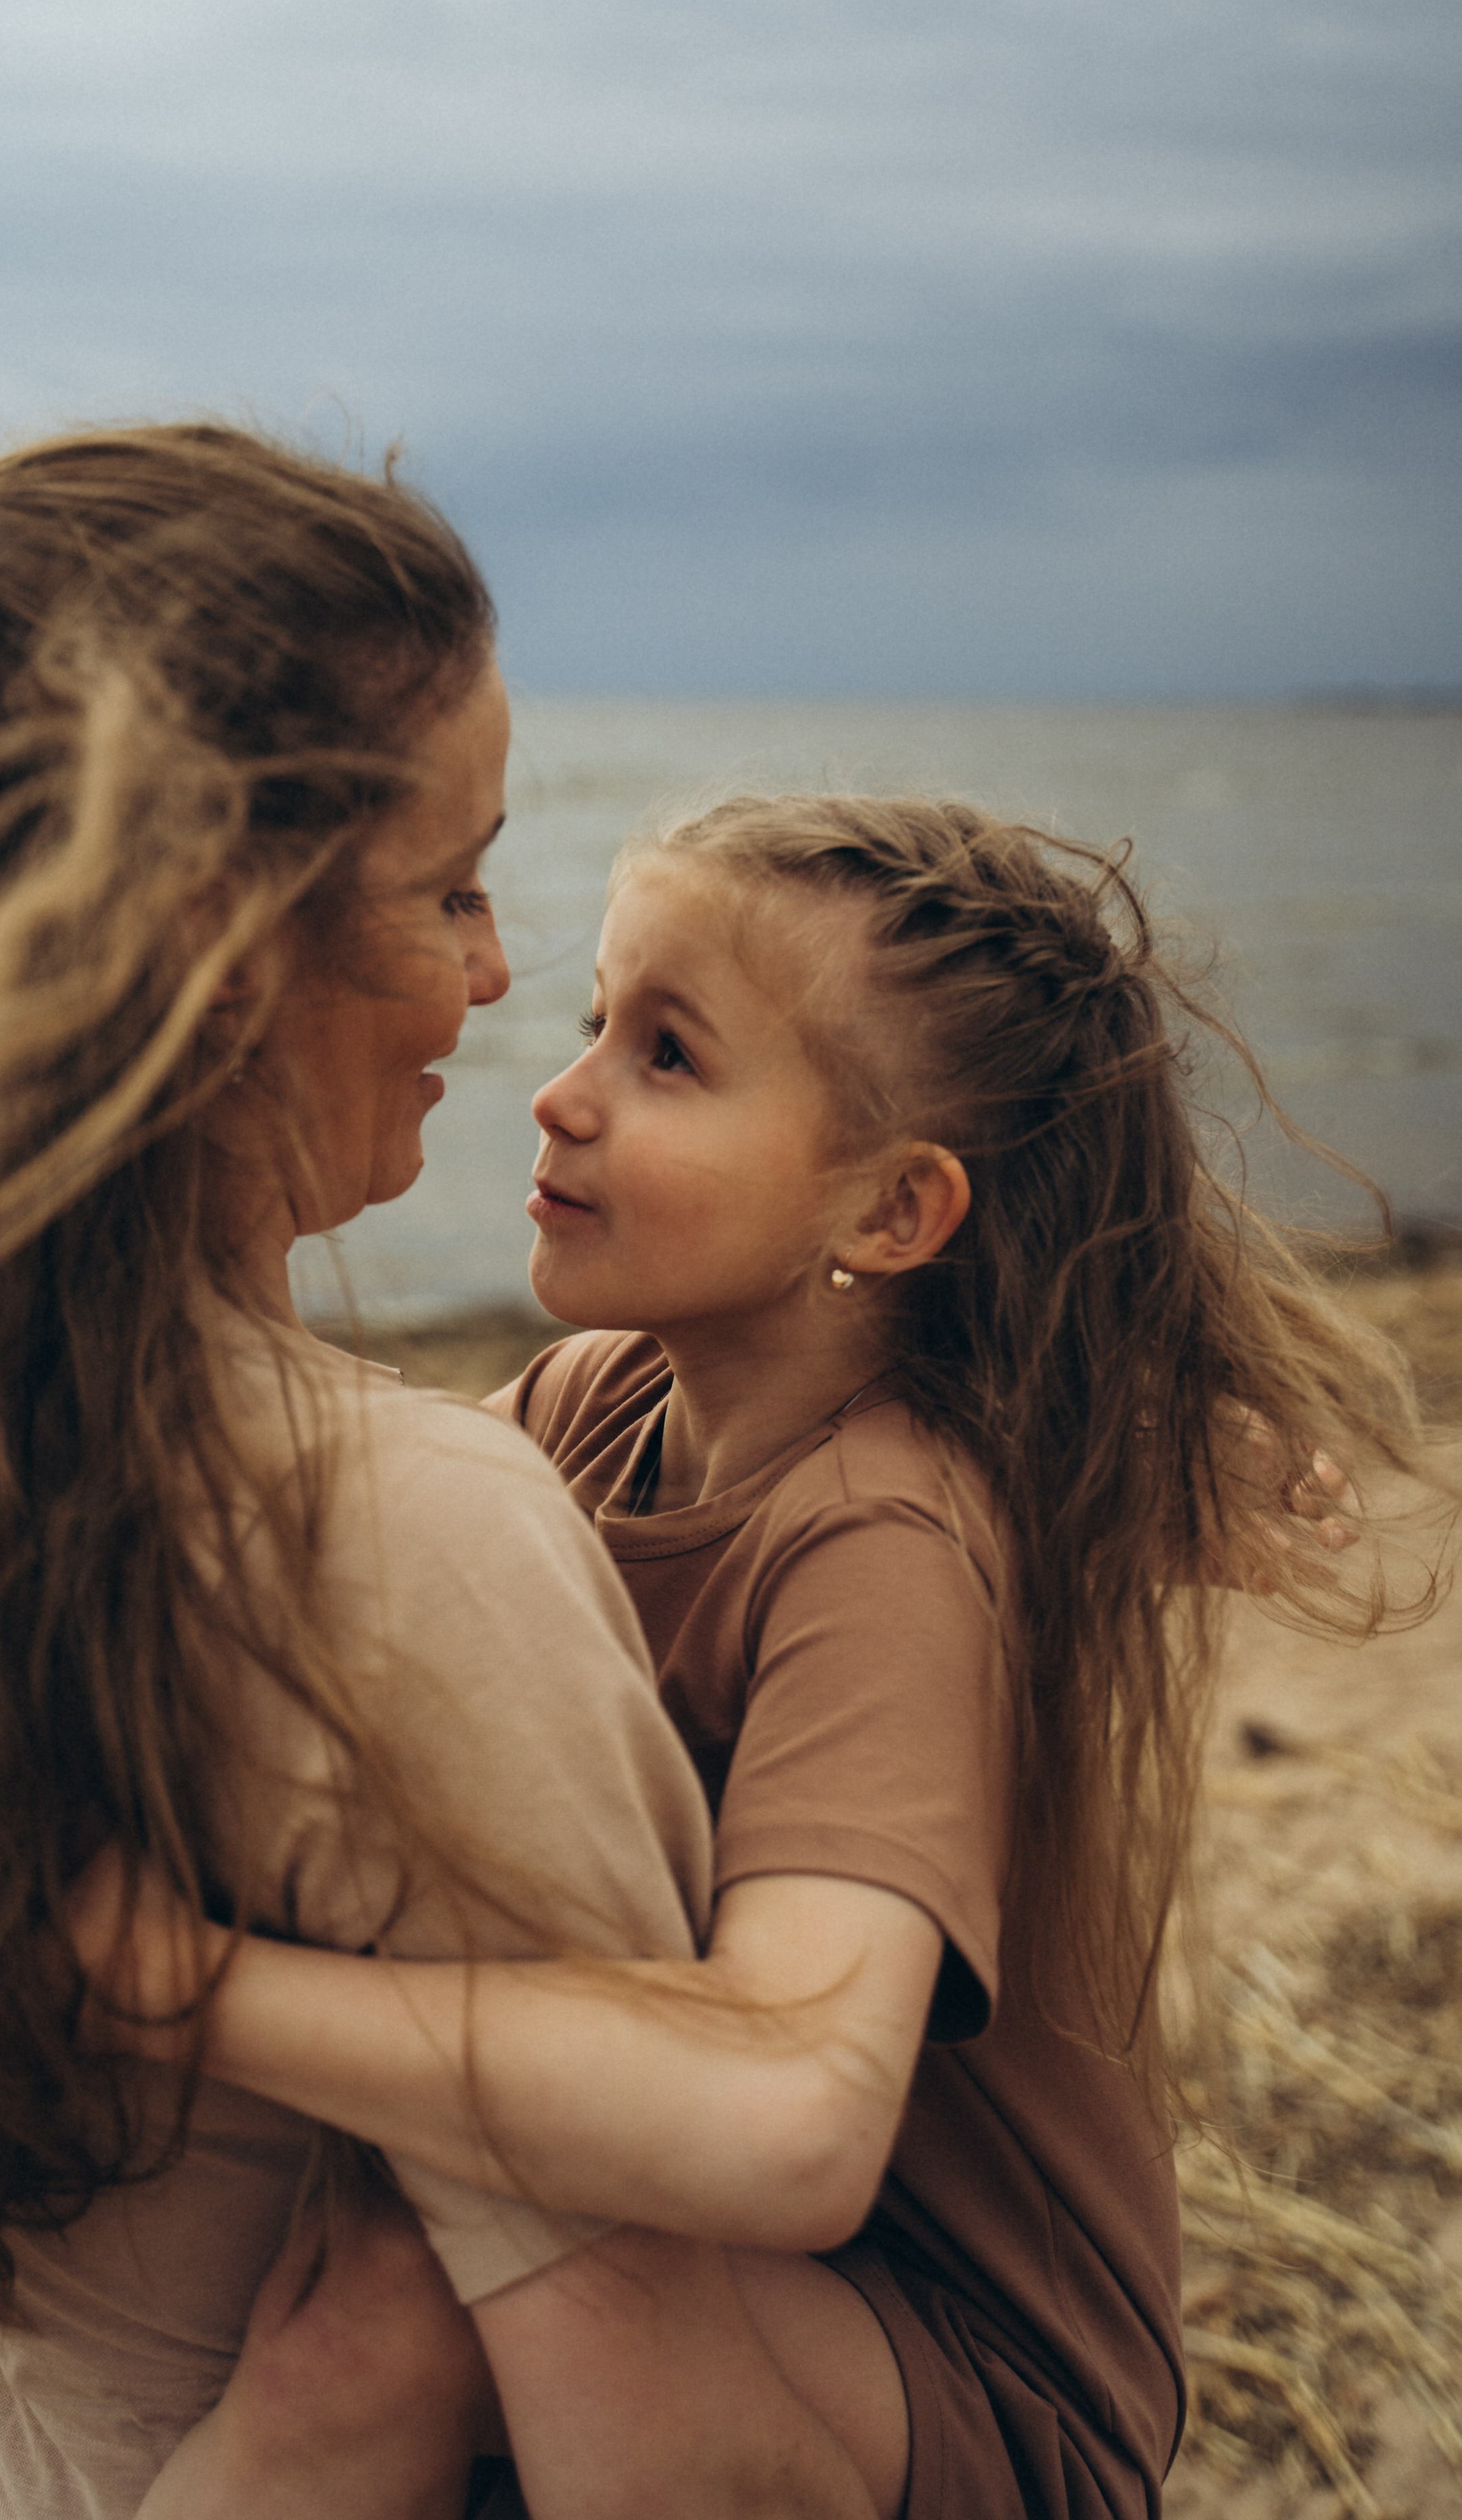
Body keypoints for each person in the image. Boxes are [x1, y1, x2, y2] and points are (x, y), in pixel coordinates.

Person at [0, 427, 889, 2520]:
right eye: (451, 887)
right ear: (219, 950)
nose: (494, 976)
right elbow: (665, 2439)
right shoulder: (385, 1541)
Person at [81, 790, 1437, 2519]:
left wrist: (171, 1990)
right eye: (594, 1021)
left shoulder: (880, 1541)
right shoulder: (598, 1400)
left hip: (962, 2376)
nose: (560, 1095)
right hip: (744, 2262)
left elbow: (795, 2110)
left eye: (667, 1057)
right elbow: (325, 1580)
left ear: (888, 1214)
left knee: (379, 2323)